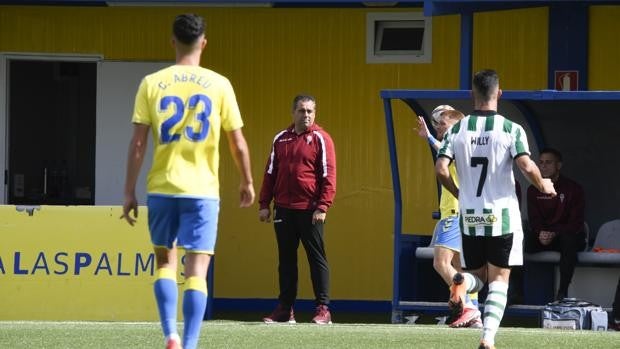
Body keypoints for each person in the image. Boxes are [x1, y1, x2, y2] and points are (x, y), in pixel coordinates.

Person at [121, 13, 255, 349]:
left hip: (163, 187)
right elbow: (237, 142)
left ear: (172, 41)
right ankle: (191, 344)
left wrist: (128, 191)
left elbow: (138, 143)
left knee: (165, 262)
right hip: (203, 191)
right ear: (204, 43)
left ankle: (170, 334)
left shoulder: (152, 83)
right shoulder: (220, 84)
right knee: (197, 271)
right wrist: (247, 181)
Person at [435, 69, 556, 349]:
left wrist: (458, 192)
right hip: (501, 218)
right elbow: (526, 166)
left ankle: (461, 280)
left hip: (469, 217)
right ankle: (488, 337)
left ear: (471, 95)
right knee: (500, 278)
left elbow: (441, 168)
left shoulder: (456, 130)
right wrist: (544, 186)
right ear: (499, 93)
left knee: (476, 277)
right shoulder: (511, 129)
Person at [258, 95, 336, 325]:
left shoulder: (322, 139)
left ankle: (323, 309)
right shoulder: (281, 139)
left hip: (311, 211)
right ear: (293, 113)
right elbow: (270, 173)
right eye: (302, 111)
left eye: (310, 111)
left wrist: (322, 206)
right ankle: (285, 309)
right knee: (286, 261)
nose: (307, 115)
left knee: (316, 259)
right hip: (283, 210)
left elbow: (328, 175)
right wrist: (264, 204)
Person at [415, 105, 482, 328]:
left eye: (443, 124)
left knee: (440, 263)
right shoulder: (463, 146)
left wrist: (429, 139)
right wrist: (430, 139)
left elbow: (444, 156)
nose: (439, 128)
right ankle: (474, 314)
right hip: (464, 214)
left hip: (454, 213)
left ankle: (469, 307)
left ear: (457, 127)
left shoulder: (456, 144)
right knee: (460, 266)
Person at [525, 147, 586, 301]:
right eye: (541, 163)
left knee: (569, 239)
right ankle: (515, 292)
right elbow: (534, 219)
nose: (543, 166)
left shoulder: (573, 188)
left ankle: (562, 292)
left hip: (564, 237)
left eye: (548, 162)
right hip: (543, 237)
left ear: (559, 165)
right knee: (518, 239)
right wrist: (540, 233)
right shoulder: (533, 189)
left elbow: (576, 222)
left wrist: (554, 233)